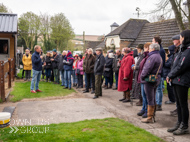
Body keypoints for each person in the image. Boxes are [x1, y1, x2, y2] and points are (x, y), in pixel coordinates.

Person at [167, 30, 190, 135]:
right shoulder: (182, 49)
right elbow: (175, 64)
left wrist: (171, 75)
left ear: (185, 37)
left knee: (183, 104)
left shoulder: (188, 50)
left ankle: (184, 125)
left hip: (183, 80)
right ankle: (179, 122)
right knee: (179, 104)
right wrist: (170, 75)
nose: (180, 39)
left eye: (181, 37)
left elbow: (181, 66)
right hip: (177, 79)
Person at [141, 43, 163, 123]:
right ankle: (152, 116)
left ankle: (149, 117)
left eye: (150, 48)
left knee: (150, 98)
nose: (149, 50)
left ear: (153, 49)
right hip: (156, 79)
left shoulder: (152, 57)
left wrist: (142, 76)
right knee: (152, 98)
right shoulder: (159, 56)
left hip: (150, 80)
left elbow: (147, 68)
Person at [137, 42, 152, 118]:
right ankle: (143, 108)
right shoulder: (145, 56)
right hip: (142, 77)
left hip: (145, 78)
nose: (144, 49)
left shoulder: (148, 56)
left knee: (146, 96)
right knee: (143, 95)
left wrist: (142, 75)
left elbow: (146, 68)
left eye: (145, 48)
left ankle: (146, 110)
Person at [152, 36, 165, 111]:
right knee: (157, 88)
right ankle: (156, 103)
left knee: (159, 89)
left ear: (156, 42)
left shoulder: (161, 51)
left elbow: (161, 62)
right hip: (157, 72)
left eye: (153, 41)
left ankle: (159, 104)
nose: (152, 42)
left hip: (159, 73)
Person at [170, 34, 181, 116]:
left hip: (179, 77)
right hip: (174, 75)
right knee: (177, 96)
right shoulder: (177, 49)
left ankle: (179, 110)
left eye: (175, 40)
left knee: (180, 97)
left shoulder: (181, 49)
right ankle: (177, 108)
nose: (173, 41)